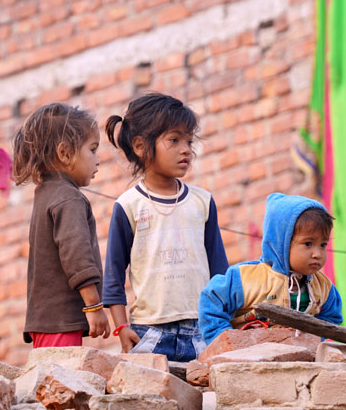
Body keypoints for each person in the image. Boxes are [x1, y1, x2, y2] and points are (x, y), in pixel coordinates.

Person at [102, 93, 229, 362]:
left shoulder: (202, 202)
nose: (186, 149)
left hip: (202, 331)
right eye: (174, 140)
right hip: (148, 333)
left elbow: (219, 269)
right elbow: (113, 273)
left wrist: (225, 322)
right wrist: (121, 327)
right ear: (140, 146)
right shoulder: (128, 206)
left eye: (189, 141)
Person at [13, 103, 111, 347]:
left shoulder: (46, 194)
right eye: (92, 149)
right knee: (62, 384)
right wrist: (94, 305)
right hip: (59, 322)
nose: (98, 160)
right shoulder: (69, 198)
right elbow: (75, 254)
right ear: (65, 153)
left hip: (46, 322)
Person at [198, 193, 343, 343]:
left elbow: (332, 318)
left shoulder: (324, 287)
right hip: (246, 358)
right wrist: (224, 341)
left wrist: (313, 338)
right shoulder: (246, 278)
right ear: (281, 242)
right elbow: (212, 300)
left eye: (323, 245)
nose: (317, 254)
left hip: (297, 358)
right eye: (308, 243)